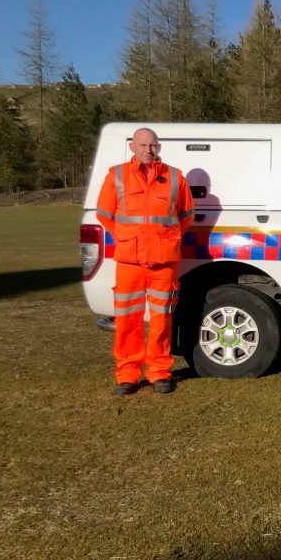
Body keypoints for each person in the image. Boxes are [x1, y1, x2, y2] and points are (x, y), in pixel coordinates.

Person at [96, 127, 195, 395]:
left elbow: (186, 216)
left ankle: (159, 373)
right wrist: (127, 238)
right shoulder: (117, 176)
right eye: (142, 145)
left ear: (158, 147)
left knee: (162, 319)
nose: (148, 150)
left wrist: (166, 237)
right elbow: (105, 215)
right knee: (128, 319)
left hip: (164, 262)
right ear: (132, 147)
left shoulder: (174, 177)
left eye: (153, 145)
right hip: (130, 262)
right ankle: (127, 375)